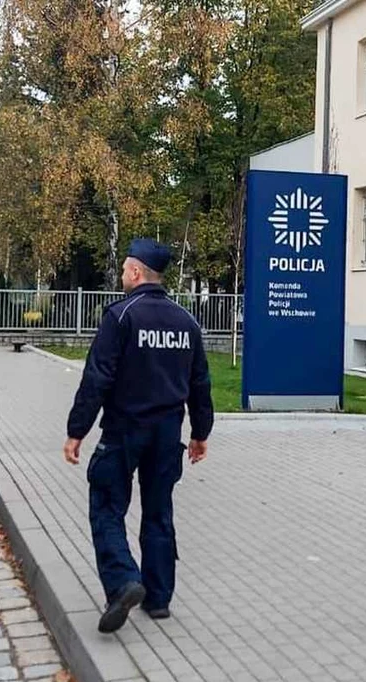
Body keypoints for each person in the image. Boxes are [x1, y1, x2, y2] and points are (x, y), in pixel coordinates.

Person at [63, 238, 214, 634]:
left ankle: (123, 581)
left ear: (135, 272)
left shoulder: (121, 315)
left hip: (125, 429)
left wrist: (76, 430)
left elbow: (97, 377)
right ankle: (159, 600)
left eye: (124, 270)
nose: (122, 276)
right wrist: (200, 433)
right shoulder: (186, 321)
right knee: (159, 511)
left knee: (107, 504)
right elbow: (200, 383)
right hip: (168, 434)